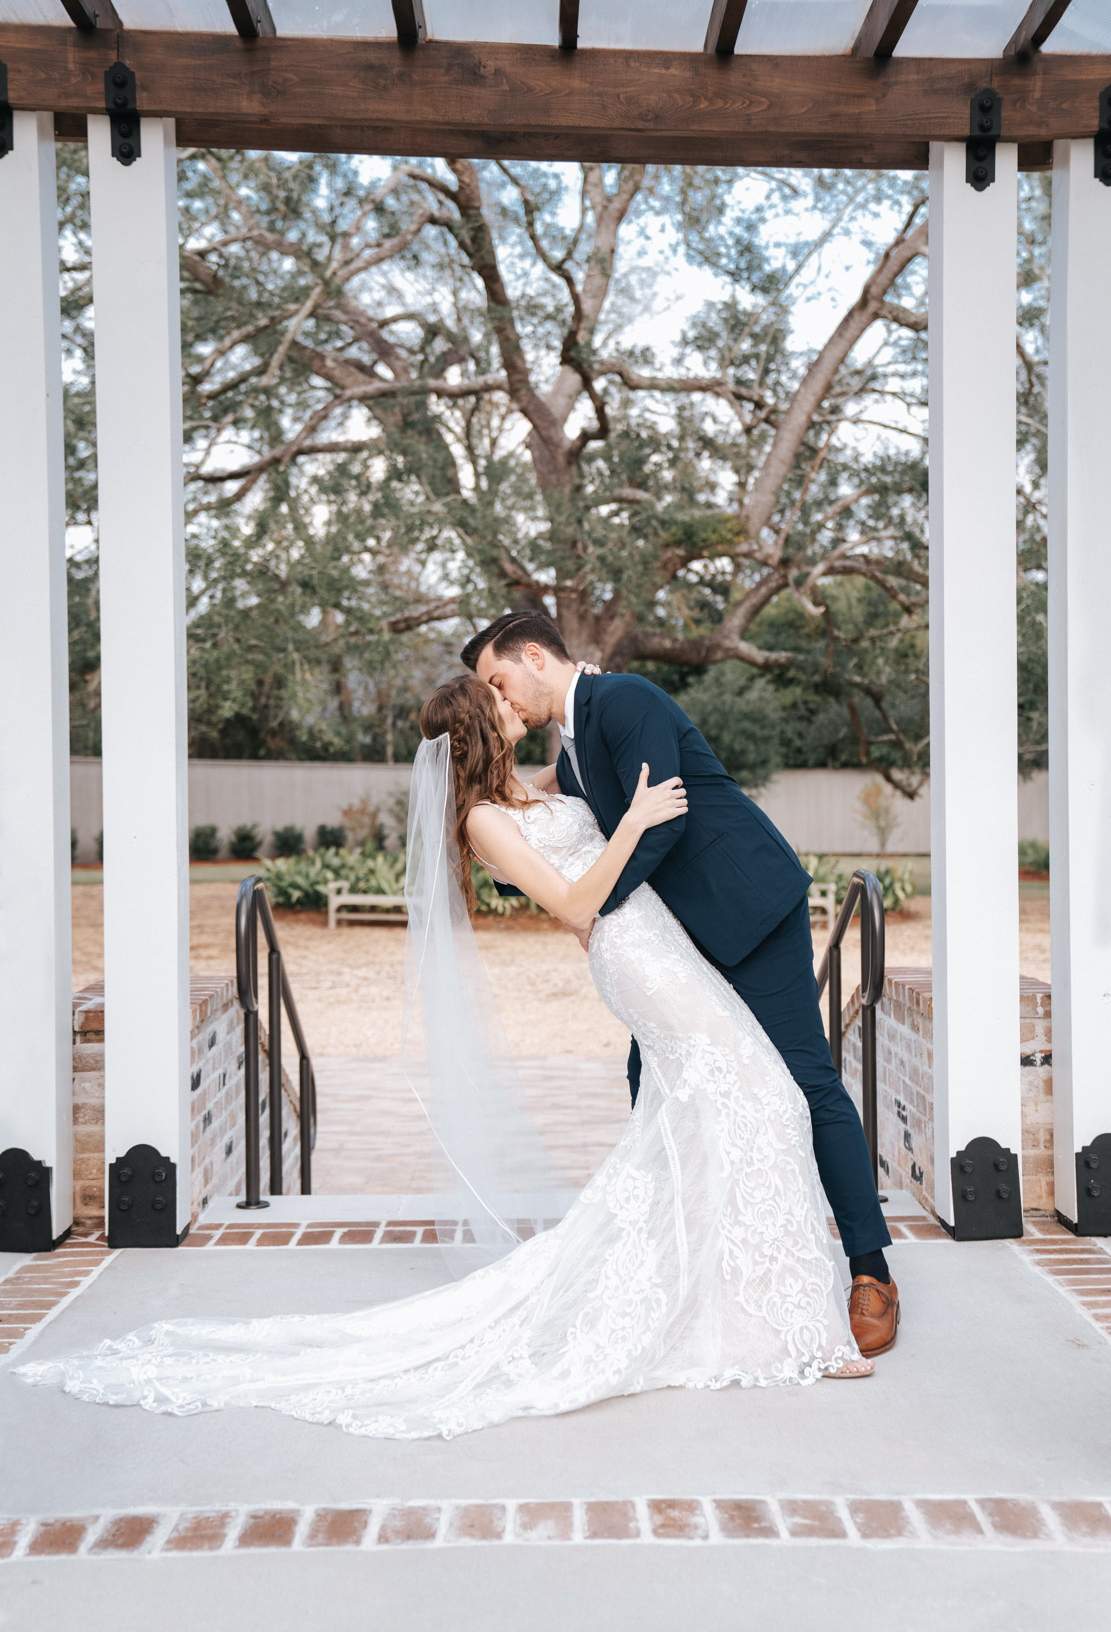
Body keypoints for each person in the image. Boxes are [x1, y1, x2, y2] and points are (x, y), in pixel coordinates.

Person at [14, 671, 871, 1440]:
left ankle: (742, 1303)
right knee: (764, 1097)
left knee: (721, 1111)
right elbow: (573, 899)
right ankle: (798, 1329)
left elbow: (581, 777)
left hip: (663, 948)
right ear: (479, 725)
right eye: (498, 700)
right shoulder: (482, 819)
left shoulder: (519, 788)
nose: (512, 703)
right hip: (637, 955)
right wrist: (638, 822)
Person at [463, 610, 899, 1359]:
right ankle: (689, 1259)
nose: (502, 701)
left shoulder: (624, 699)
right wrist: (500, 861)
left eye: (500, 681)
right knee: (656, 1089)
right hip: (672, 945)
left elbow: (660, 823)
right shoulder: (568, 750)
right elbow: (531, 817)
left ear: (535, 655)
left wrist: (588, 913)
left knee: (803, 1081)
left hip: (745, 912)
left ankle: (870, 1272)